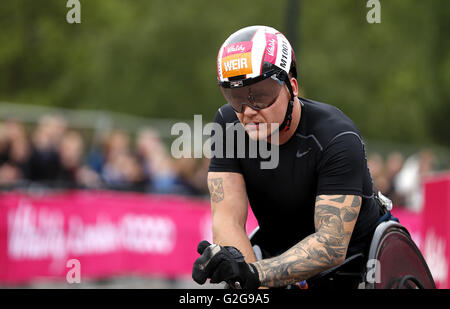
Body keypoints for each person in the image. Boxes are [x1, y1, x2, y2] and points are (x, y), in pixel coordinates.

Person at [192, 25, 385, 289]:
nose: (248, 111)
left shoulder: (336, 135)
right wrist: (251, 281)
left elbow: (331, 245)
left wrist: (254, 273)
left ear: (291, 87)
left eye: (259, 96)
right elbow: (227, 220)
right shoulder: (227, 125)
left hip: (355, 265)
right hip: (275, 258)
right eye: (236, 98)